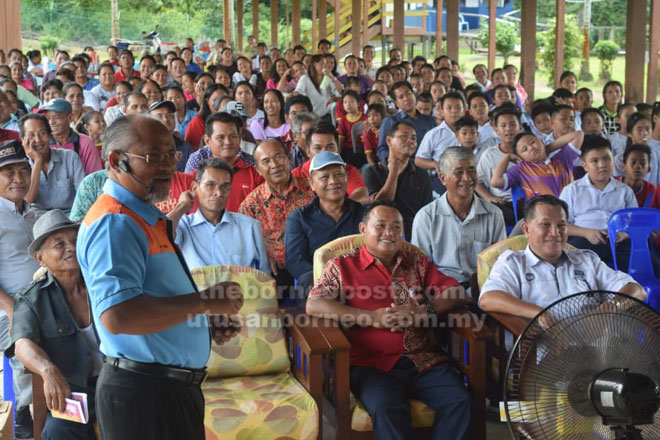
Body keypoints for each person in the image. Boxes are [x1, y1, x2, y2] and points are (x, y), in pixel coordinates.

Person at [77, 114, 245, 440]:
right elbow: (118, 315)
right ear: (116, 160)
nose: (167, 166)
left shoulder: (143, 216)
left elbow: (152, 297)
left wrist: (201, 319)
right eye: (154, 156)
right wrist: (206, 301)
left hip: (166, 390)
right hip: (147, 396)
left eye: (172, 154)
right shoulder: (115, 222)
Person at [306, 201, 472, 440]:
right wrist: (371, 318)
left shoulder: (416, 262)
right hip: (370, 365)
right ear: (363, 229)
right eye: (381, 226)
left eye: (396, 227)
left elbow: (456, 293)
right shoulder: (343, 265)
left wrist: (424, 311)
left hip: (422, 359)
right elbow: (315, 303)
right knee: (387, 408)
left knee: (459, 400)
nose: (390, 233)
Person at [7, 210, 99, 439]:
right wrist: (47, 370)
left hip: (117, 386)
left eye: (75, 242)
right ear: (40, 258)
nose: (70, 248)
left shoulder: (102, 284)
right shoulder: (31, 298)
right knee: (58, 432)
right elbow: (21, 343)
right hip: (72, 394)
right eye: (59, 244)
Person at [479, 195, 646, 318]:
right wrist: (541, 315)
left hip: (598, 348)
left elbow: (636, 289)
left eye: (562, 225)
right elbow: (488, 298)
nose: (555, 233)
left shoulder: (586, 260)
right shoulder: (513, 263)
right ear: (526, 229)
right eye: (545, 224)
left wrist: (609, 307)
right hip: (544, 351)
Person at [412, 148, 505, 285]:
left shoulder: (494, 214)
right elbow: (421, 268)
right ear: (442, 178)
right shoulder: (426, 217)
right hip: (442, 290)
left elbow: (500, 262)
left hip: (484, 288)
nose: (467, 178)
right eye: (459, 172)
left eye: (471, 171)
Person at [0, 140, 41, 438]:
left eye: (22, 170)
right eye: (8, 172)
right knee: (29, 362)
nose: (17, 178)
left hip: (41, 306)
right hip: (9, 312)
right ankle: (26, 429)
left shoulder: (33, 213)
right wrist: (12, 310)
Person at [168, 158, 269, 272]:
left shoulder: (250, 227)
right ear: (195, 188)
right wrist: (182, 206)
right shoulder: (183, 226)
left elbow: (264, 276)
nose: (219, 193)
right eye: (210, 185)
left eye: (225, 187)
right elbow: (161, 234)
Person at [285, 151, 365, 292]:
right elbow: (295, 261)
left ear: (346, 177)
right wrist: (326, 279)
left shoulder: (364, 214)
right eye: (324, 177)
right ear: (312, 184)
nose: (333, 181)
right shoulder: (299, 218)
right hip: (318, 284)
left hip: (360, 282)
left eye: (339, 174)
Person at [239, 139, 315, 288]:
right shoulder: (251, 204)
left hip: (313, 266)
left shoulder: (312, 189)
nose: (274, 165)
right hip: (276, 271)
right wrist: (263, 255)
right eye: (266, 161)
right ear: (258, 170)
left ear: (289, 158)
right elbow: (244, 242)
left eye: (278, 156)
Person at [559, 136, 636, 268]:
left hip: (619, 241)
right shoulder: (572, 190)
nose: (602, 165)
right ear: (585, 166)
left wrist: (624, 234)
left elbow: (635, 222)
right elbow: (561, 225)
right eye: (595, 161)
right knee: (572, 261)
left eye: (607, 159)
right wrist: (587, 232)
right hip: (585, 240)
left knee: (646, 262)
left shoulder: (624, 191)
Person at [363, 120, 433, 239]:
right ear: (389, 141)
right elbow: (378, 206)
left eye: (414, 138)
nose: (410, 141)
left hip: (415, 233)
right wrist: (394, 173)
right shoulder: (372, 171)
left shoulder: (422, 174)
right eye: (404, 136)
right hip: (383, 234)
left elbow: (427, 213)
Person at [184, 112, 263, 211]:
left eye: (233, 136)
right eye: (221, 137)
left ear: (239, 138)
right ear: (207, 141)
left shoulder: (255, 175)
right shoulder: (195, 178)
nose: (228, 142)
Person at [20, 114, 85, 214]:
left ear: (50, 135)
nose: (38, 140)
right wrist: (37, 161)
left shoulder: (70, 157)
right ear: (23, 140)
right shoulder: (22, 166)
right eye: (31, 135)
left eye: (42, 133)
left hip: (69, 217)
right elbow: (27, 201)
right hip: (38, 221)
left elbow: (82, 195)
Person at [291, 121, 369, 204]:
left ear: (338, 149)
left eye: (330, 147)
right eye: (318, 148)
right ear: (308, 152)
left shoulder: (347, 170)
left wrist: (338, 211)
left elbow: (362, 195)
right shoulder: (295, 176)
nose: (324, 152)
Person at [38, 98, 103, 175]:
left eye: (56, 117)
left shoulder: (85, 143)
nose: (51, 122)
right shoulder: (42, 143)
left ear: (70, 118)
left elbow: (94, 177)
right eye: (48, 118)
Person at [377, 81, 436, 161]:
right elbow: (382, 149)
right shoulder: (390, 121)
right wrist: (393, 162)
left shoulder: (431, 121)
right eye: (401, 97)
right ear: (396, 103)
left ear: (414, 94)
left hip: (428, 165)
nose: (406, 98)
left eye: (408, 93)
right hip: (401, 165)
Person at [294, 54, 342, 120]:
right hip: (310, 116)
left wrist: (332, 77)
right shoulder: (305, 78)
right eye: (323, 64)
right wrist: (294, 94)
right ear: (314, 64)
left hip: (325, 115)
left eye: (326, 65)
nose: (325, 66)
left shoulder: (327, 78)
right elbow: (299, 91)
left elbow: (340, 91)